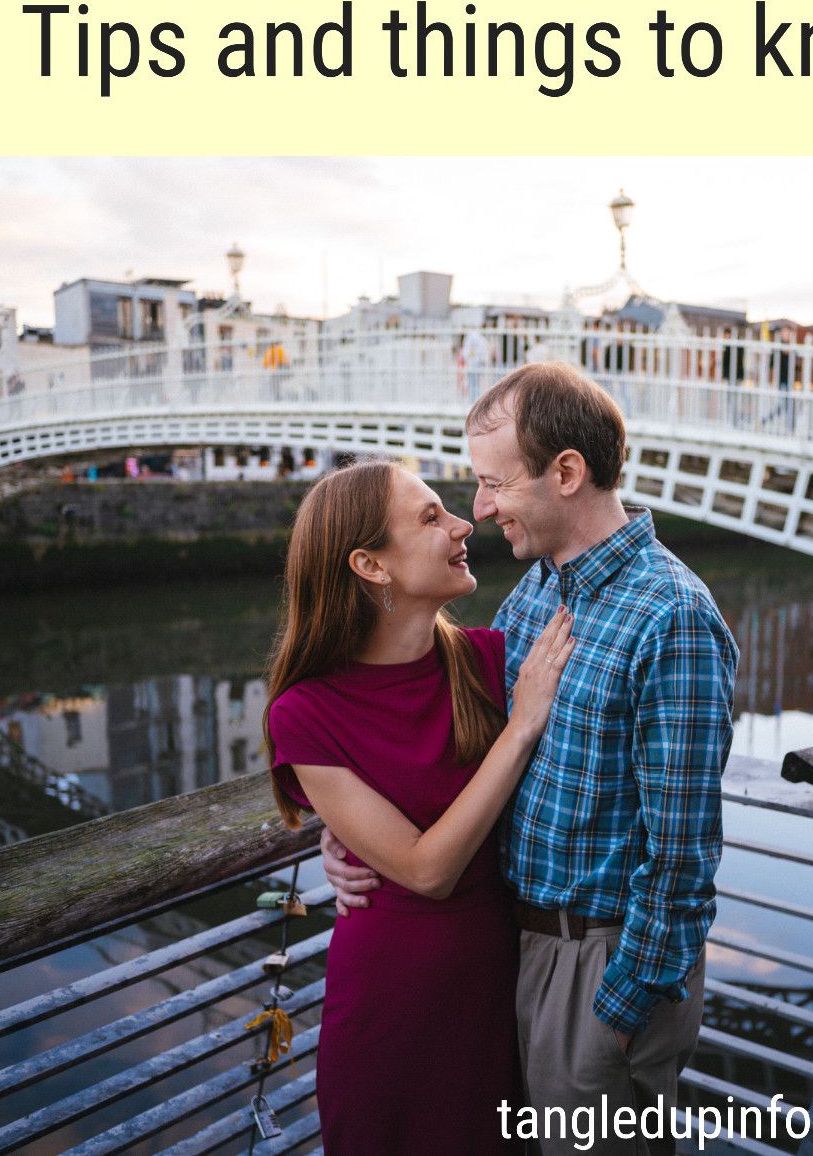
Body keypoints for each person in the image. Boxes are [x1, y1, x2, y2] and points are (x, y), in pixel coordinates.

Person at [324, 364, 739, 1155]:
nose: (477, 510)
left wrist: (620, 1015)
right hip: (514, 949)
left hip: (601, 962)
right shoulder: (540, 591)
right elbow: (460, 744)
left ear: (568, 472)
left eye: (492, 484)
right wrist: (341, 828)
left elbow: (682, 856)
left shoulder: (672, 617)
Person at [263, 461, 574, 1156]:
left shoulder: (493, 661)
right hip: (390, 1006)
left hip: (501, 986)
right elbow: (425, 871)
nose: (465, 525)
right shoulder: (305, 713)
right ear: (370, 564)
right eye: (432, 518)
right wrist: (521, 726)